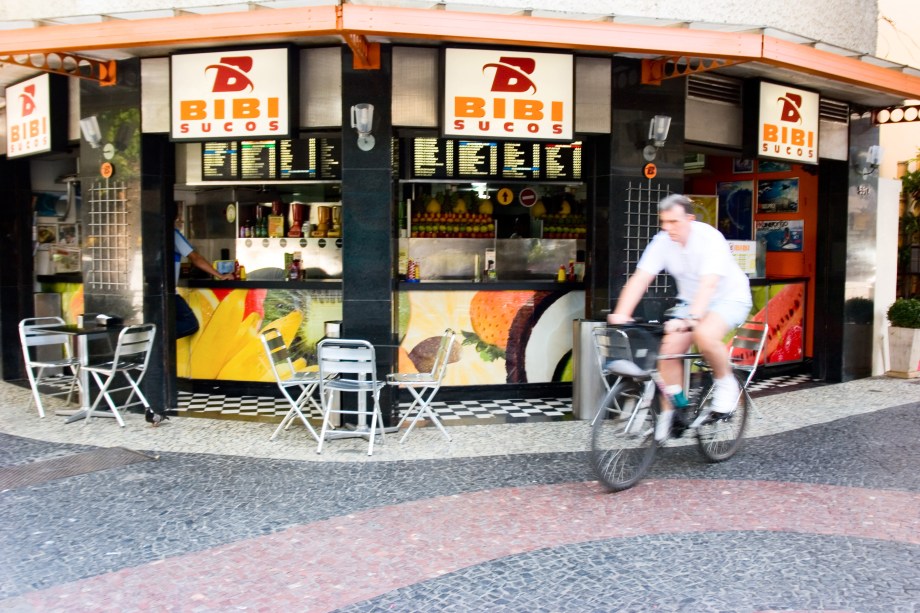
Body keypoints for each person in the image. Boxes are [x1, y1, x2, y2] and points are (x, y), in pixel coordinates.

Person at [607, 194, 752, 442]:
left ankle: (727, 384)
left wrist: (692, 319)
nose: (667, 228)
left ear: (690, 219)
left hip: (729, 298)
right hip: (690, 302)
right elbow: (640, 279)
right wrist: (622, 313)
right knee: (667, 351)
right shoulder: (662, 241)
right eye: (664, 222)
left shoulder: (709, 238)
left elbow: (709, 284)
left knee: (704, 335)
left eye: (674, 222)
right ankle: (677, 407)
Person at [175, 225, 233, 339]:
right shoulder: (172, 234)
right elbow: (195, 258)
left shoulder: (153, 234)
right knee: (190, 324)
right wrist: (220, 275)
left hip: (155, 292)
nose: (181, 221)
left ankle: (159, 334)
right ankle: (160, 333)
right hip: (168, 293)